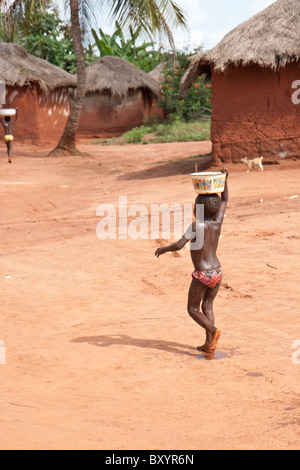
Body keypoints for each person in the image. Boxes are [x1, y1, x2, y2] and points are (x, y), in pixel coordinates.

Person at [155, 168, 229, 354]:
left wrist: (163, 249)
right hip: (217, 272)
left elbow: (180, 245)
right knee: (208, 306)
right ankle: (209, 344)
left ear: (198, 210)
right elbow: (225, 199)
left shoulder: (196, 225)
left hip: (203, 274)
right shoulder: (217, 223)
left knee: (192, 309)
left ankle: (213, 331)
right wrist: (224, 180)